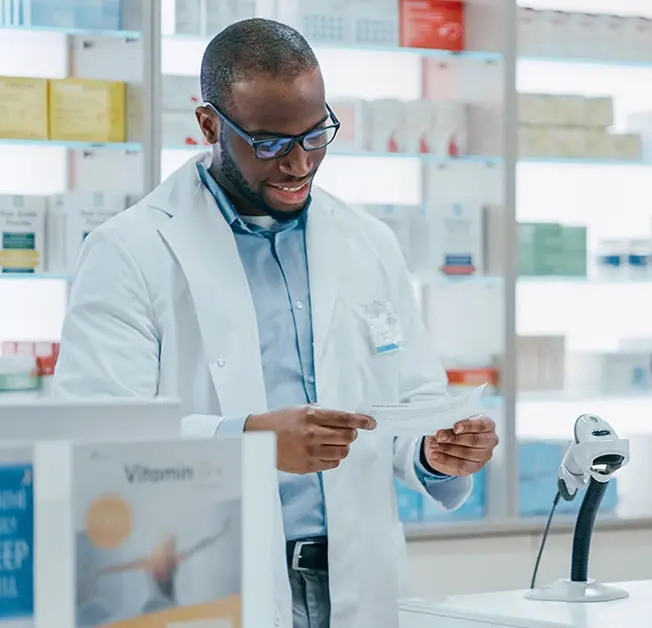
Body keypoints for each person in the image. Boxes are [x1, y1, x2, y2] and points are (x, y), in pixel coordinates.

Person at [51, 18, 500, 628]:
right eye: (269, 143)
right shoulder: (129, 249)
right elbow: (98, 435)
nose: (298, 163)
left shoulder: (367, 242)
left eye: (316, 136)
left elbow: (408, 400)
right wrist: (252, 441)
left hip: (352, 576)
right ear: (208, 125)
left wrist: (433, 449)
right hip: (205, 577)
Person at [83, 519, 233, 615]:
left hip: (170, 605)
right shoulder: (150, 562)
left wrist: (220, 533)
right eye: (167, 545)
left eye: (172, 545)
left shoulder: (174, 559)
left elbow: (199, 546)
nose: (170, 548)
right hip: (156, 605)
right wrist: (99, 571)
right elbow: (123, 566)